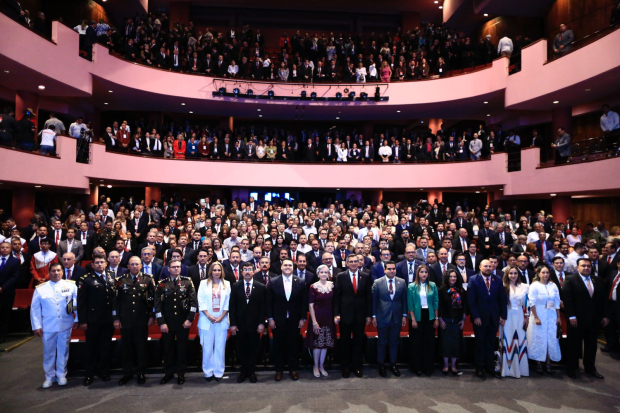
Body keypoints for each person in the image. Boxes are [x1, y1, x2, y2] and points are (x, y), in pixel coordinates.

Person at [30, 262, 78, 388]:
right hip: (48, 325)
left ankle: (61, 374)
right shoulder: (41, 288)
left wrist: (77, 318)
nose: (56, 273)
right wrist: (36, 326)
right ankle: (49, 376)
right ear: (49, 272)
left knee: (63, 351)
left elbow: (77, 304)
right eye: (53, 271)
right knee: (49, 351)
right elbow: (35, 309)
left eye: (58, 270)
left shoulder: (71, 286)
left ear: (62, 272)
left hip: (65, 324)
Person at [562, 258, 609, 379]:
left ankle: (590, 368)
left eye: (588, 266)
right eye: (583, 266)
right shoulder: (571, 279)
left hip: (594, 319)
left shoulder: (597, 280)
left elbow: (603, 300)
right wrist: (571, 315)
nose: (586, 268)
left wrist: (605, 315)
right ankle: (571, 368)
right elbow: (567, 300)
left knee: (591, 345)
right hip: (576, 319)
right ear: (577, 267)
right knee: (573, 345)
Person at [155, 259, 198, 385]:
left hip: (182, 322)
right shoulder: (162, 284)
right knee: (168, 349)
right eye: (173, 267)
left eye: (178, 267)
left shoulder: (187, 282)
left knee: (181, 349)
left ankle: (181, 373)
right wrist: (161, 322)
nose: (176, 269)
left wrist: (189, 319)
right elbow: (157, 306)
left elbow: (193, 303)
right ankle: (168, 373)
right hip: (167, 323)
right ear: (168, 269)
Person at [114, 256, 155, 385]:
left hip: (141, 319)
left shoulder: (148, 279)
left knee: (141, 347)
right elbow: (116, 301)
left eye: (137, 264)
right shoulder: (120, 281)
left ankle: (141, 373)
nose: (134, 266)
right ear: (128, 266)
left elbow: (154, 299)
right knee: (127, 347)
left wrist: (152, 316)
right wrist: (116, 318)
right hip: (126, 320)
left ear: (141, 266)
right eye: (132, 264)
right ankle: (127, 373)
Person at [76, 253, 116, 386]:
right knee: (91, 347)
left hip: (108, 319)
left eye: (102, 262)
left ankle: (103, 371)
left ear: (106, 263)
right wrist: (82, 321)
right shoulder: (85, 279)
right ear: (92, 265)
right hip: (92, 320)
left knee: (105, 347)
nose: (100, 264)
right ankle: (89, 373)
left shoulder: (112, 276)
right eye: (97, 262)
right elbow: (81, 302)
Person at [266, 258, 307, 381]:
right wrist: (270, 318)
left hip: (294, 320)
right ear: (281, 267)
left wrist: (303, 318)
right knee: (278, 346)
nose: (288, 267)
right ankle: (279, 370)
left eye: (290, 265)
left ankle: (293, 369)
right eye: (285, 265)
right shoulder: (273, 282)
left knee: (293, 345)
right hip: (278, 320)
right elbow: (269, 303)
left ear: (293, 267)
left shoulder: (300, 282)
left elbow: (303, 302)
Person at [333, 254, 371, 378]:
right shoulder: (341, 276)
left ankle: (357, 366)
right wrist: (336, 314)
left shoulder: (365, 276)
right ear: (347, 263)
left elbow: (368, 297)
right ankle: (345, 367)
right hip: (345, 315)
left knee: (358, 341)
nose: (354, 263)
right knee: (344, 342)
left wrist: (369, 315)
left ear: (360, 263)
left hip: (360, 315)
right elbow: (337, 297)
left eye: (356, 261)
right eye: (351, 262)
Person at [468, 259, 507, 379]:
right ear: (480, 267)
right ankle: (479, 369)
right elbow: (471, 301)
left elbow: (502, 299)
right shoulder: (473, 279)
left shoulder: (498, 279)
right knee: (480, 343)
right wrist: (476, 316)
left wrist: (503, 316)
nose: (488, 268)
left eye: (490, 266)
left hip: (494, 318)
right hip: (479, 318)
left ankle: (490, 367)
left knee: (491, 344)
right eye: (486, 266)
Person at [229, 262, 266, 383]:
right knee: (241, 348)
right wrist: (233, 324)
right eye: (245, 269)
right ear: (241, 272)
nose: (248, 271)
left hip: (255, 324)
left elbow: (262, 307)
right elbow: (232, 306)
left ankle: (251, 371)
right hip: (240, 324)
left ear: (254, 271)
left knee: (253, 348)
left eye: (250, 269)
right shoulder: (235, 286)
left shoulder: (260, 286)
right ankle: (243, 371)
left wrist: (261, 323)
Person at [372, 261, 407, 377]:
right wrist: (373, 316)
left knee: (394, 342)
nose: (392, 271)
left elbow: (404, 300)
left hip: (396, 317)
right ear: (384, 270)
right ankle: (381, 365)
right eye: (389, 269)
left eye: (394, 269)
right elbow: (374, 301)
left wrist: (404, 315)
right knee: (382, 342)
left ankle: (393, 364)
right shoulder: (377, 282)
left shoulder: (401, 282)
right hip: (382, 316)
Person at [197, 261, 230, 382]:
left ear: (222, 272)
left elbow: (228, 302)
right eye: (214, 270)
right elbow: (200, 300)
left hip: (221, 319)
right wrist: (208, 315)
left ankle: (218, 372)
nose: (217, 272)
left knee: (220, 347)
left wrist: (222, 316)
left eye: (219, 270)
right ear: (210, 271)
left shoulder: (227, 284)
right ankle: (208, 372)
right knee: (207, 347)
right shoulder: (203, 283)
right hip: (207, 319)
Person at [527, 265, 561, 375]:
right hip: (539, 313)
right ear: (538, 273)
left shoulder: (553, 285)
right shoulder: (534, 286)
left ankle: (548, 362)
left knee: (550, 338)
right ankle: (538, 362)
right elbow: (531, 302)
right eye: (543, 272)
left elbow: (557, 302)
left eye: (547, 272)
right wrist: (536, 317)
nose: (545, 274)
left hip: (551, 314)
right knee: (539, 338)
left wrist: (558, 317)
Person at [407, 264, 439, 376]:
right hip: (416, 316)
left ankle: (428, 367)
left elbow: (436, 302)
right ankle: (417, 367)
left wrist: (436, 318)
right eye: (422, 272)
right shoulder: (412, 286)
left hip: (429, 316)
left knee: (428, 343)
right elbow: (410, 304)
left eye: (426, 272)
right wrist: (413, 319)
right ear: (418, 274)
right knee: (416, 343)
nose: (424, 274)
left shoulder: (433, 285)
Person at [306, 264, 336, 378]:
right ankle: (315, 366)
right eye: (322, 272)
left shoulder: (332, 286)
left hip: (328, 318)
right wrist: (314, 322)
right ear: (318, 274)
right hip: (317, 317)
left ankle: (322, 366)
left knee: (325, 344)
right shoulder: (313, 287)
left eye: (326, 272)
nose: (324, 274)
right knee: (317, 344)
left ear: (329, 274)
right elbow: (310, 305)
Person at [500, 265, 529, 378]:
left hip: (520, 316)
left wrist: (526, 317)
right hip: (507, 316)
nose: (513, 276)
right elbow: (500, 303)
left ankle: (520, 370)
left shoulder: (525, 286)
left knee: (521, 340)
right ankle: (507, 370)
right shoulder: (502, 286)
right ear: (507, 274)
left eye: (515, 273)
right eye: (511, 273)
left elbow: (527, 304)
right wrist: (501, 317)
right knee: (508, 340)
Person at [437, 269, 467, 376]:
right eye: (450, 276)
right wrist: (440, 319)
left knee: (456, 344)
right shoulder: (441, 290)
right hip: (445, 320)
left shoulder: (461, 290)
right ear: (447, 278)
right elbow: (439, 306)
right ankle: (445, 365)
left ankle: (453, 365)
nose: (453, 278)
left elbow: (464, 306)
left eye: (454, 276)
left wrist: (463, 319)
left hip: (458, 321)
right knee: (445, 344)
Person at [1, 241, 21, 343]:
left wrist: (2, 288)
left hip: (7, 291)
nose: (4, 249)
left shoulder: (15, 261)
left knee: (5, 313)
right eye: (2, 247)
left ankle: (3, 335)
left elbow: (15, 277)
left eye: (7, 247)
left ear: (10, 249)